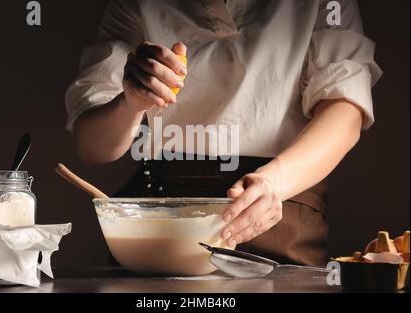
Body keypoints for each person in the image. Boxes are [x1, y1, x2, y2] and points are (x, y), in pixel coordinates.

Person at [65, 0, 382, 266]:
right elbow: (93, 147)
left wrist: (275, 182)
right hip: (162, 220)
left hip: (283, 208)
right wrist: (130, 102)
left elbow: (346, 110)